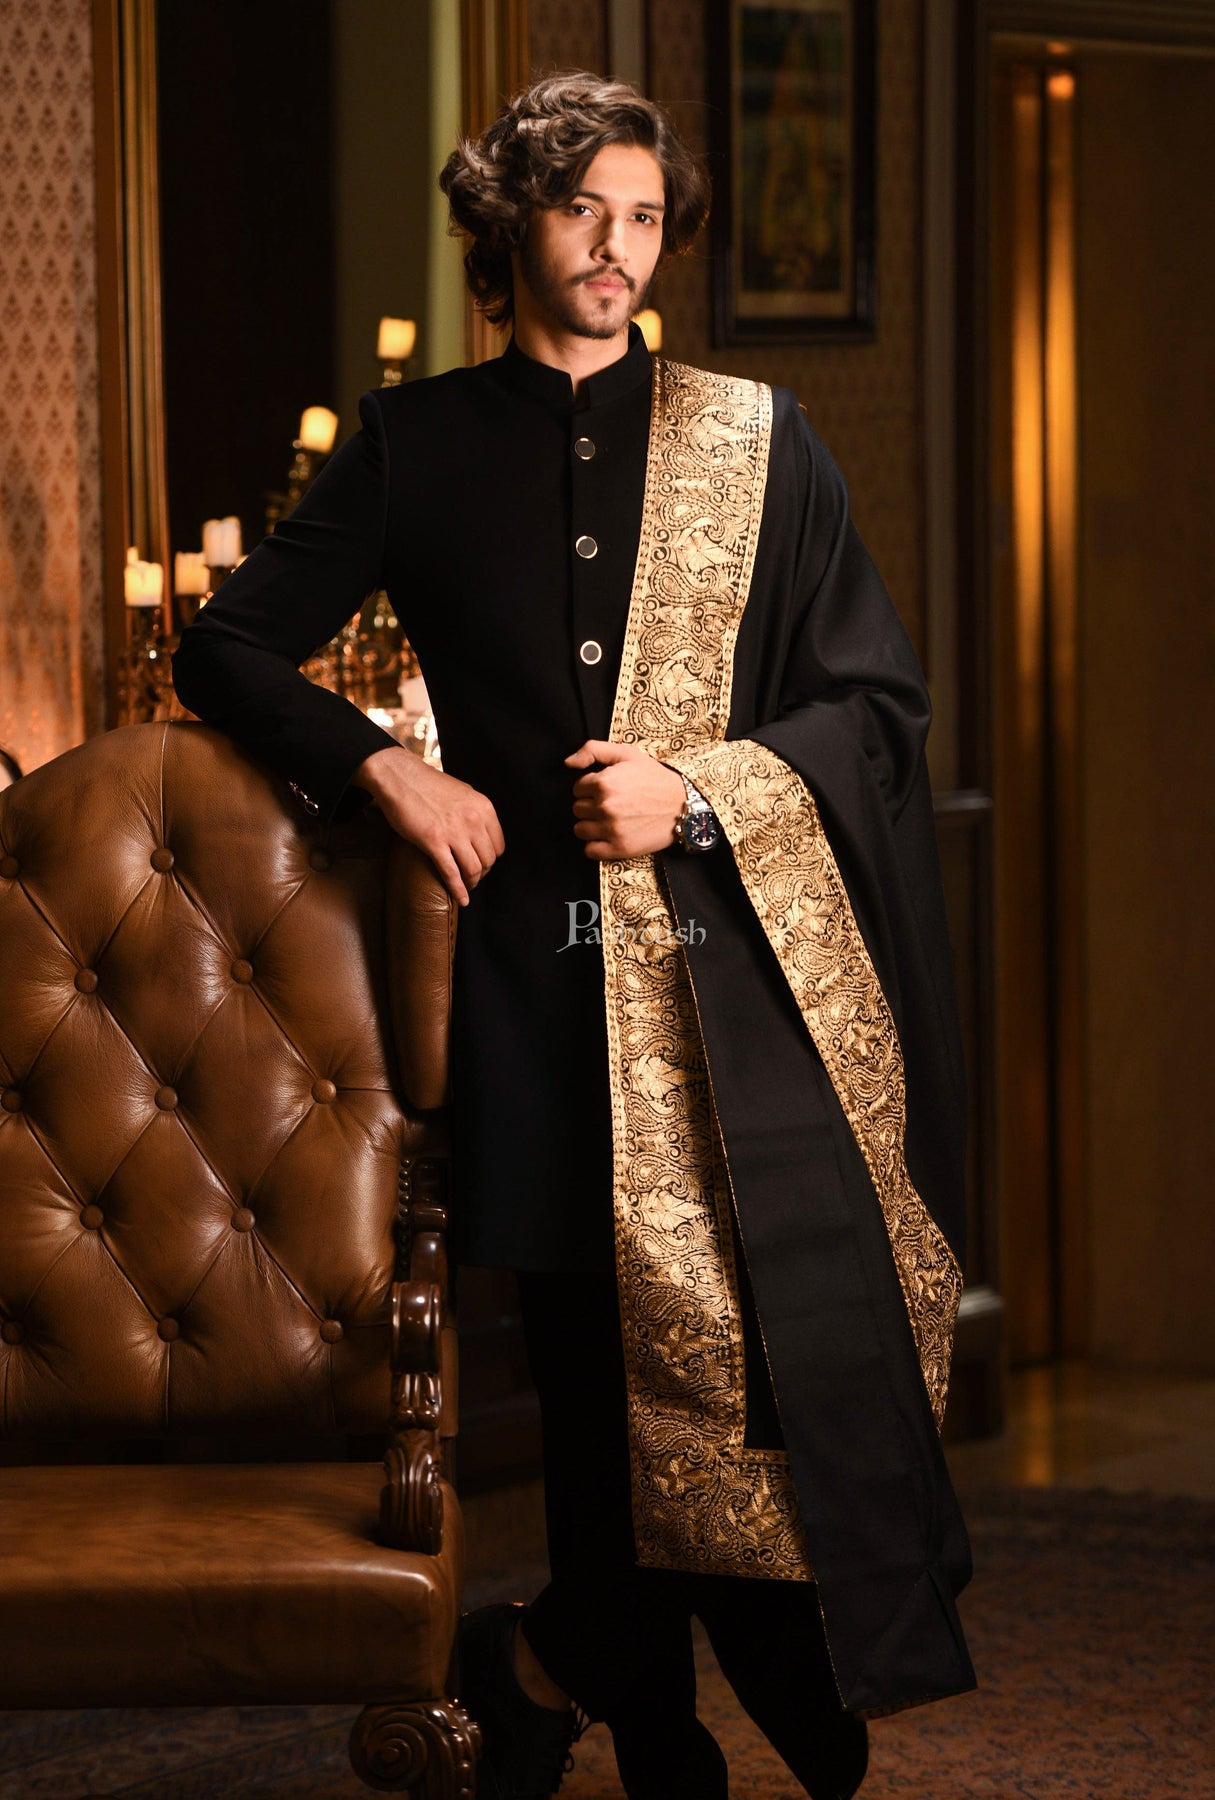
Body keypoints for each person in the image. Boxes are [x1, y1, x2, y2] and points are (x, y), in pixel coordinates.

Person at [172, 71, 976, 1800]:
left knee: (759, 1346)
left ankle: (552, 1660)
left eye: (644, 216)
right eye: (579, 210)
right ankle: (645, 1714)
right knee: (598, 1371)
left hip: (742, 991)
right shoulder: (416, 443)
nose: (616, 247)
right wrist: (389, 767)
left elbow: (875, 710)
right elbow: (224, 648)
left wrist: (696, 790)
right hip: (535, 991)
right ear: (507, 225)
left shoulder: (760, 442)